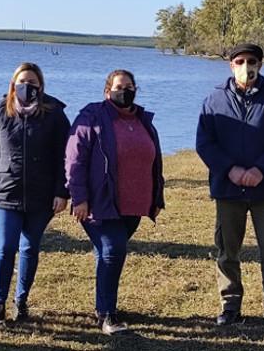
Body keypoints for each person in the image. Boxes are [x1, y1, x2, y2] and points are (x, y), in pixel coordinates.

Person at [195, 43, 264, 337]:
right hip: (228, 190)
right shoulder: (214, 100)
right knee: (227, 252)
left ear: (261, 64)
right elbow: (205, 143)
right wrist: (231, 169)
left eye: (252, 61)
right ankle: (230, 307)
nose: (246, 66)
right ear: (231, 65)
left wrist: (260, 170)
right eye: (240, 61)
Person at [65, 69, 165, 335]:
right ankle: (107, 314)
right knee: (113, 252)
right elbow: (75, 160)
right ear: (107, 91)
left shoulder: (143, 120)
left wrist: (157, 197)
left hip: (134, 204)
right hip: (100, 203)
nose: (125, 91)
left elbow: (155, 162)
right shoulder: (92, 117)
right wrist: (79, 197)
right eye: (119, 87)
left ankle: (102, 305)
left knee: (106, 254)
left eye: (130, 86)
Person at [0, 62, 71, 326]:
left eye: (32, 83)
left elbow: (67, 156)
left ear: (41, 87)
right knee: (6, 248)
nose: (26, 87)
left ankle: (21, 302)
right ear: (12, 84)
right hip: (5, 194)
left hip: (42, 197)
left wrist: (62, 191)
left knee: (29, 248)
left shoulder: (54, 114)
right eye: (22, 82)